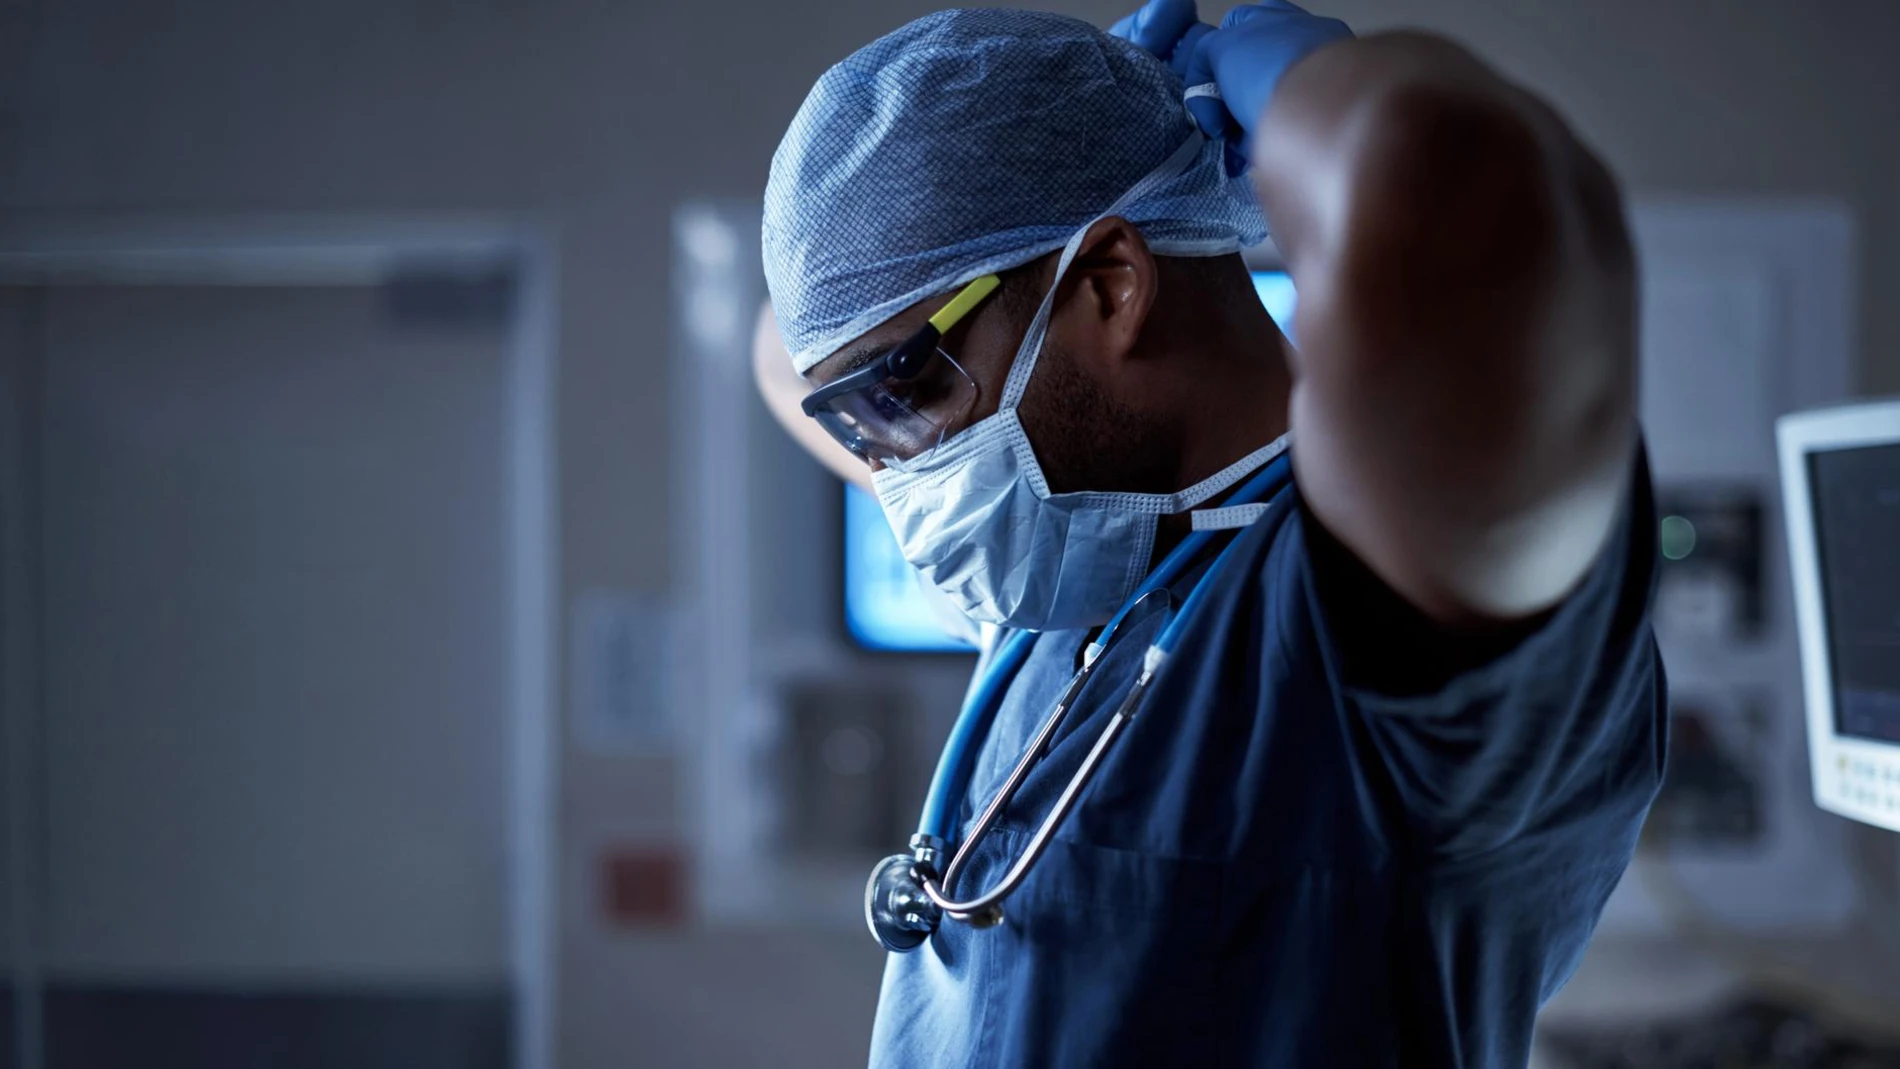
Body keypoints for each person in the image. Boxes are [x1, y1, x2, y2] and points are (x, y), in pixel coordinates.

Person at [754, 2, 1662, 1065]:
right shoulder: (1081, 565)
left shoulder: (1383, 607)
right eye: (858, 427)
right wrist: (1037, 157)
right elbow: (790, 349)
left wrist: (1292, 102)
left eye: (904, 392)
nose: (895, 473)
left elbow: (1453, 184)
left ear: (1109, 287)